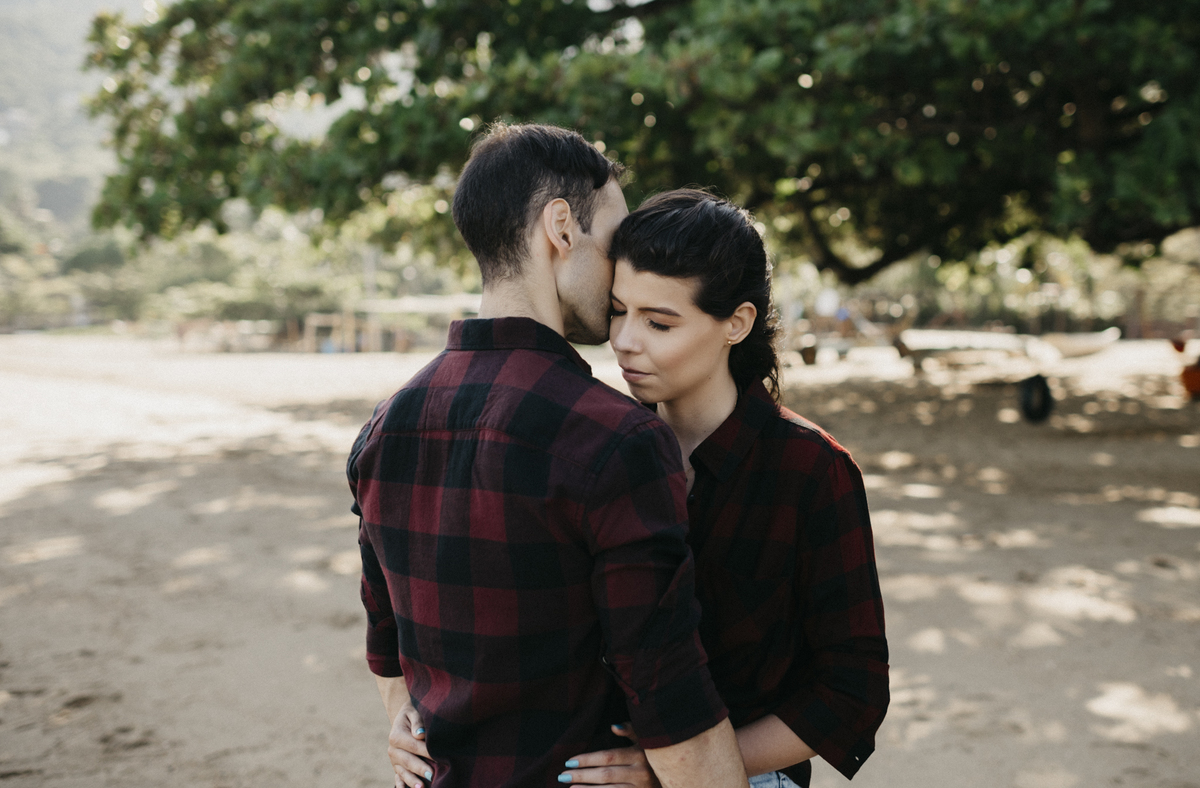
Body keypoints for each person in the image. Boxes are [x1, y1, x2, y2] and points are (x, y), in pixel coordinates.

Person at [388, 189, 889, 787]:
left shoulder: (811, 470)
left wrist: (681, 764)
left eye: (658, 322)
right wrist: (416, 718)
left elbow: (851, 689)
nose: (624, 340)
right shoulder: (591, 444)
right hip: (581, 767)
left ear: (737, 322)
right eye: (618, 310)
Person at [348, 127, 749, 788]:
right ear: (561, 227)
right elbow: (667, 691)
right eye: (615, 240)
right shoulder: (615, 438)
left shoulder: (386, 426)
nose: (623, 267)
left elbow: (385, 638)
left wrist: (406, 725)